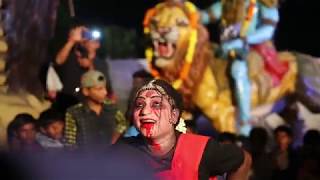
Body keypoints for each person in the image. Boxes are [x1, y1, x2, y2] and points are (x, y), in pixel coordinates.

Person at [121, 79, 251, 179]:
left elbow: (243, 159)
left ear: (174, 115)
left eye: (156, 104)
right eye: (139, 104)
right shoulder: (123, 150)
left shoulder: (201, 149)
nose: (145, 111)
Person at [201, 0, 288, 135]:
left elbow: (267, 31)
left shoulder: (262, 4)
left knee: (238, 69)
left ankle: (244, 124)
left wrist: (242, 40)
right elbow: (203, 16)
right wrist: (182, 8)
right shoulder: (227, 4)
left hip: (253, 50)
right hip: (225, 51)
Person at [64, 70, 128, 151]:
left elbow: (123, 123)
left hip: (112, 158)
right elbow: (70, 143)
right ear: (86, 91)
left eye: (105, 88)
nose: (105, 92)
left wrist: (115, 137)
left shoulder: (111, 107)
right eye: (99, 89)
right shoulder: (74, 112)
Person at [54, 26, 113, 104]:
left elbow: (102, 83)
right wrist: (72, 41)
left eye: (95, 41)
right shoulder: (71, 56)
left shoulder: (101, 63)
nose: (90, 40)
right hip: (66, 103)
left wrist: (90, 66)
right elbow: (58, 61)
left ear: (98, 45)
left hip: (87, 106)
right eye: (87, 38)